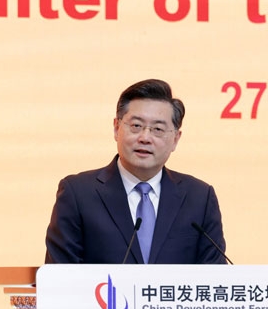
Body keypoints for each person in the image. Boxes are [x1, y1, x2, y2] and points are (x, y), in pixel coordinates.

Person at [45, 78, 227, 264]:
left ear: (175, 139)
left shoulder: (199, 198)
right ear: (116, 128)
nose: (145, 138)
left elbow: (215, 275)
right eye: (136, 126)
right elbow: (60, 275)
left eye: (158, 129)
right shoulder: (78, 193)